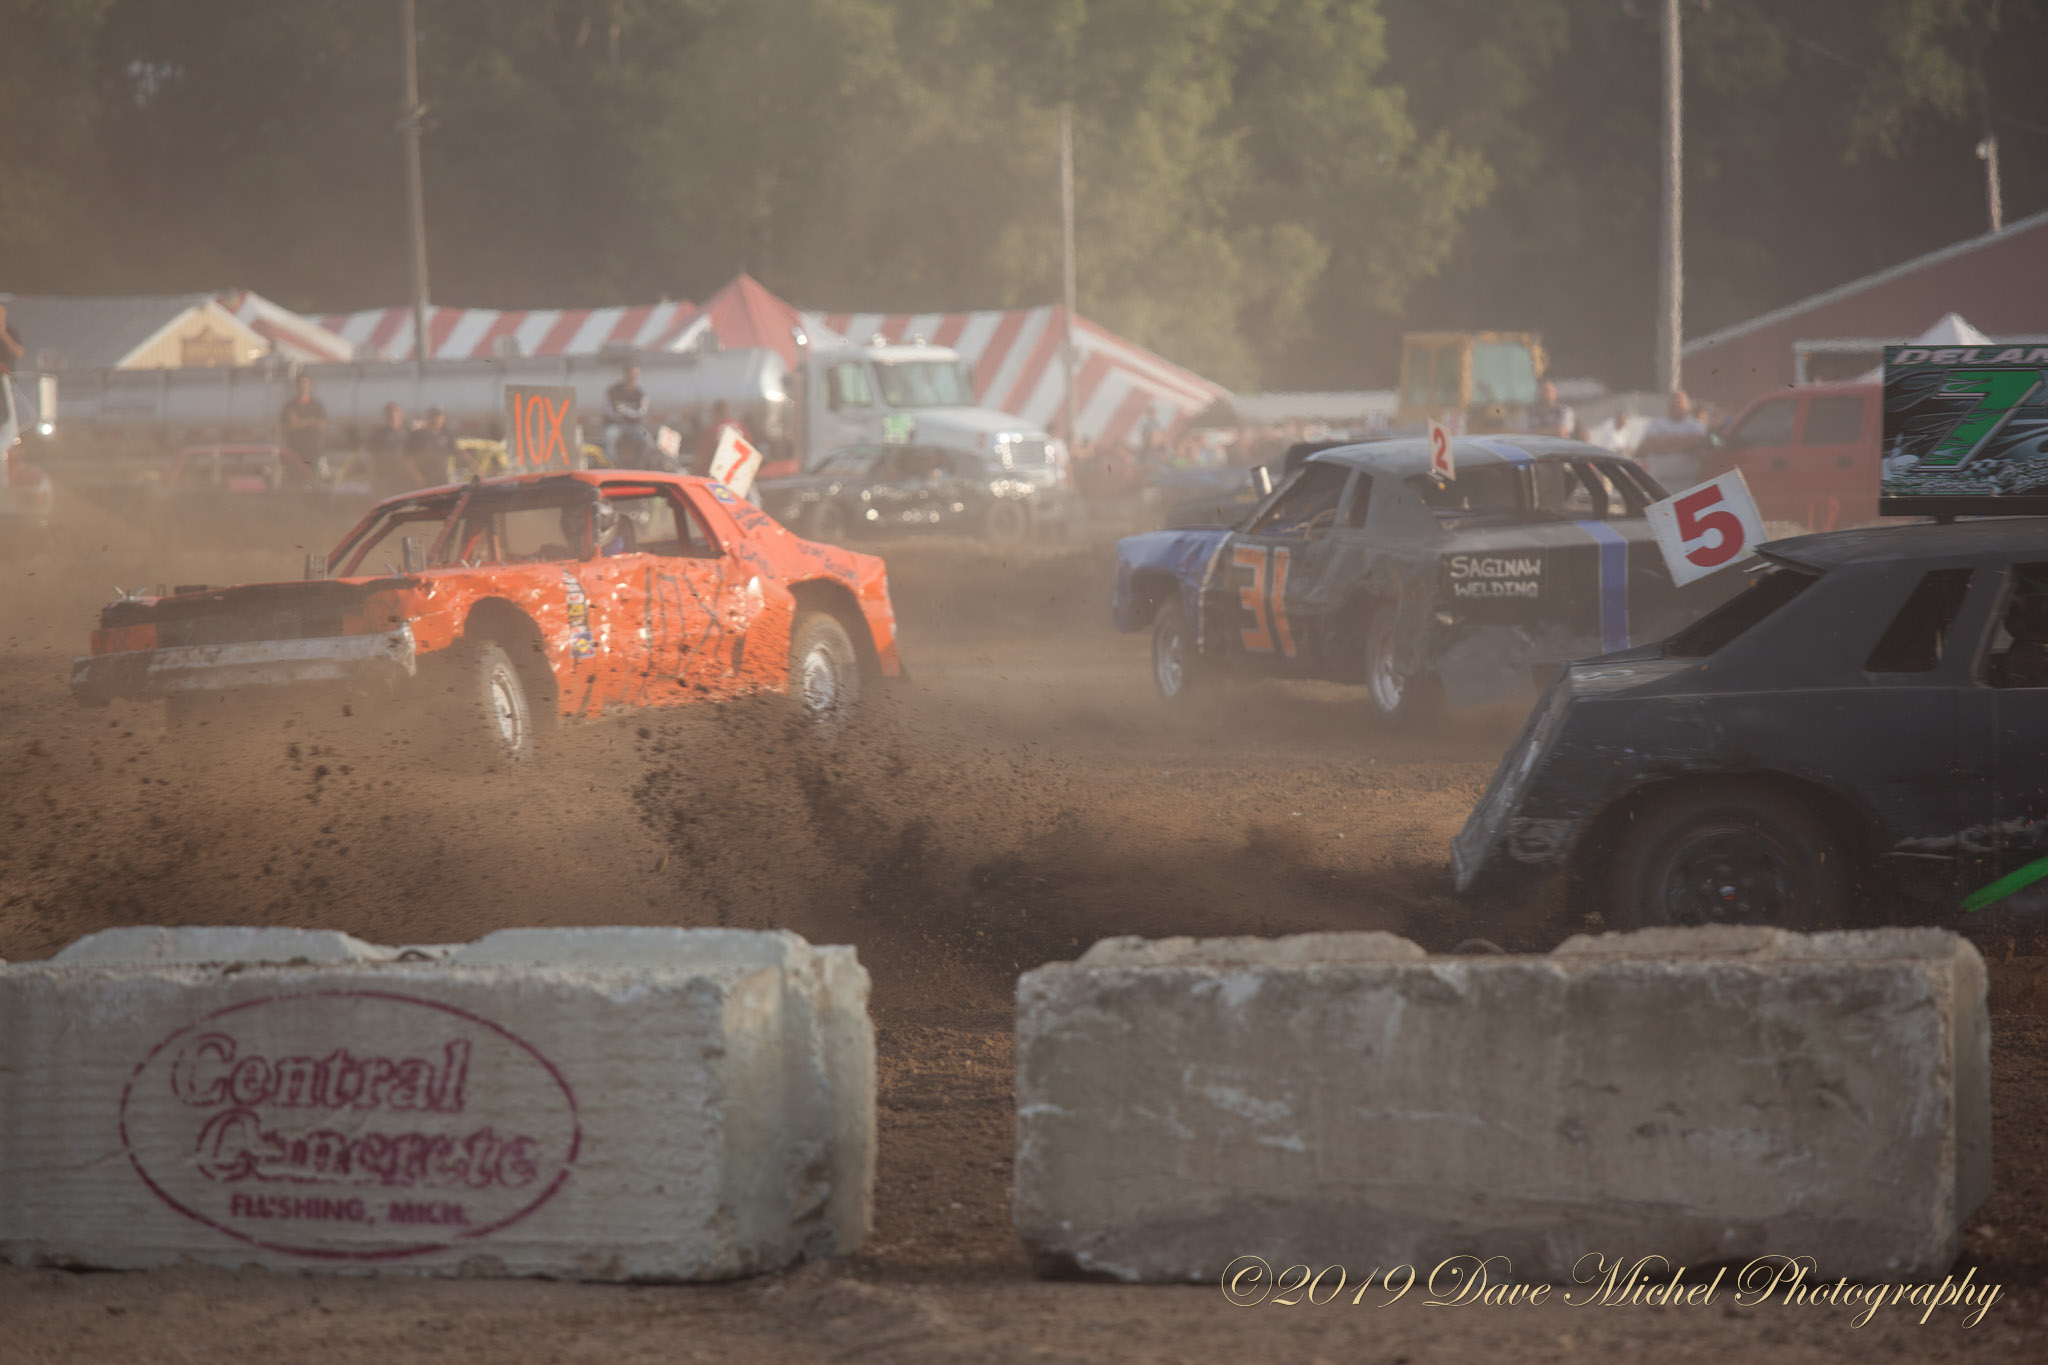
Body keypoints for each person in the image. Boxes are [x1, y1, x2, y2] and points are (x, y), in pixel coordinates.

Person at [1634, 389, 1709, 488]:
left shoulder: (1695, 424)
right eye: (1673, 400)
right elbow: (1648, 444)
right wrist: (1684, 444)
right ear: (1668, 404)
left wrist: (1664, 442)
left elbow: (1698, 442)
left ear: (1688, 405)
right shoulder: (1656, 423)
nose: (1676, 403)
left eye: (1680, 401)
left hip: (1688, 482)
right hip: (1660, 483)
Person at [366, 402, 423, 499]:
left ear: (400, 415)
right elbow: (372, 458)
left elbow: (414, 456)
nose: (393, 418)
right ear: (385, 416)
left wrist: (417, 475)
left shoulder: (408, 432)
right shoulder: (379, 434)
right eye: (389, 415)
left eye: (395, 415)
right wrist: (371, 478)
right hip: (385, 476)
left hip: (404, 475)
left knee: (405, 499)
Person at [692, 399, 753, 479]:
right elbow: (750, 450)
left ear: (715, 413)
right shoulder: (741, 427)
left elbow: (701, 457)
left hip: (717, 478)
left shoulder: (712, 430)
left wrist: (694, 473)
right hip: (741, 477)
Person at [603, 365, 649, 467]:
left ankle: (639, 467)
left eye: (636, 376)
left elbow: (641, 412)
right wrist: (620, 415)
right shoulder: (613, 390)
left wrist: (625, 411)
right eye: (631, 376)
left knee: (646, 440)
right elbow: (608, 411)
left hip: (633, 426)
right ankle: (613, 466)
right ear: (625, 375)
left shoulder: (640, 393)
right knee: (609, 438)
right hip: (615, 425)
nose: (634, 379)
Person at [280, 374, 328, 464]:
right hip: (294, 449)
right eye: (300, 383)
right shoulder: (290, 405)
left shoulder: (316, 405)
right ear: (296, 386)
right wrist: (311, 421)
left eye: (305, 383)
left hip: (312, 450)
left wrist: (300, 423)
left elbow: (322, 425)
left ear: (309, 385)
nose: (303, 386)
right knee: (295, 471)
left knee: (311, 470)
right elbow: (283, 427)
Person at [406, 405, 458, 482]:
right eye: (433, 417)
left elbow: (457, 452)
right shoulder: (417, 436)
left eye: (439, 418)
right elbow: (408, 459)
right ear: (427, 419)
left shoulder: (446, 435)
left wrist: (473, 464)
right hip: (424, 480)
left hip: (442, 479)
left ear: (443, 420)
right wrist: (417, 477)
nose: (435, 421)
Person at [0, 302, 25, 376]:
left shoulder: (11, 331)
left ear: (5, 313)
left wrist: (4, 334)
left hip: (7, 375)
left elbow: (19, 353)